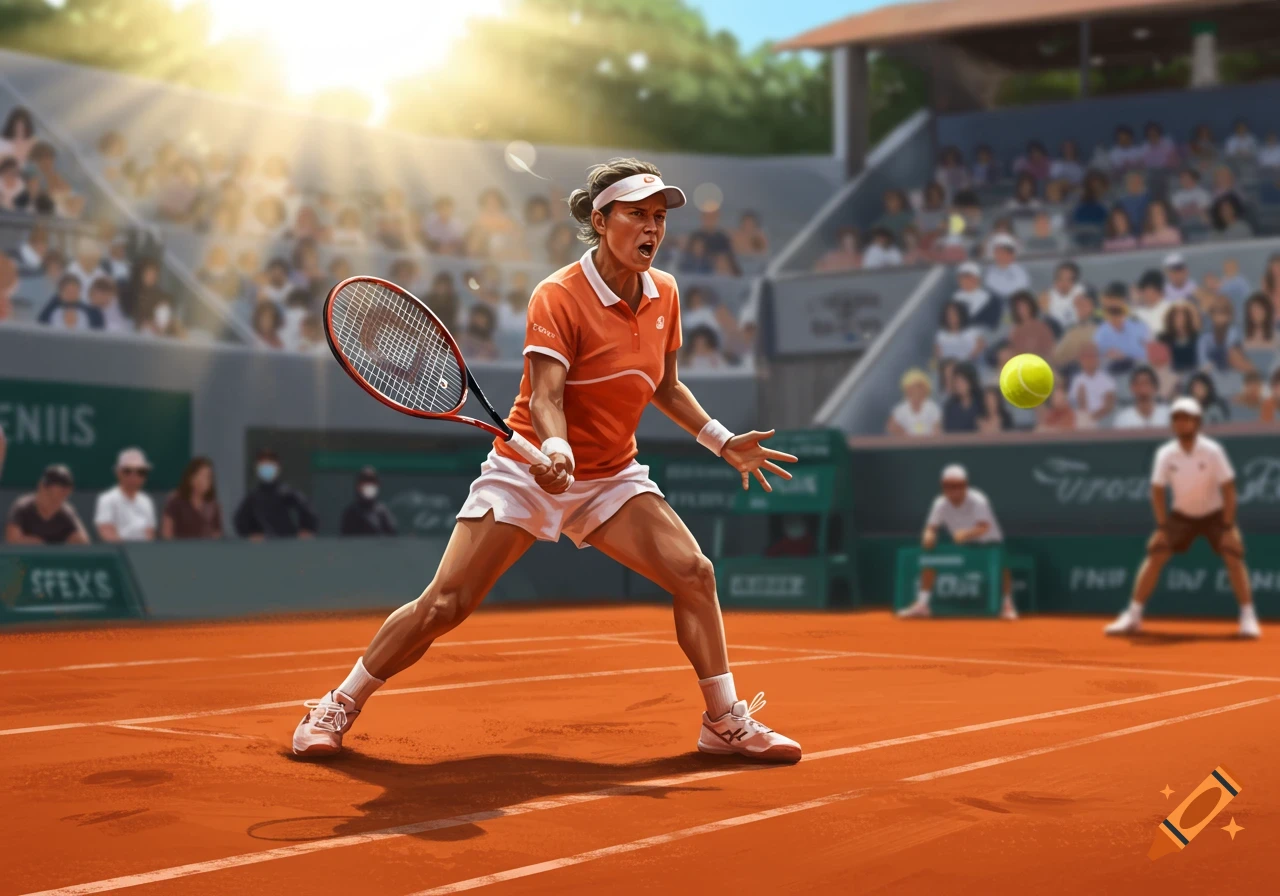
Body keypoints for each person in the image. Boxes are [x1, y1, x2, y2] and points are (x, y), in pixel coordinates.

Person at [292, 157, 801, 762]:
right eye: (638, 214)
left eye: (659, 217)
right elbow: (547, 394)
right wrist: (554, 448)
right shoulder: (558, 295)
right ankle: (338, 704)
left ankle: (723, 722)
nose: (653, 228)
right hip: (527, 469)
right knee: (445, 604)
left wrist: (720, 439)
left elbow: (663, 386)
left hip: (611, 476)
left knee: (695, 573)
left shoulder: (665, 291)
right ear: (601, 218)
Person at [1105, 397, 1259, 638]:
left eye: (1186, 418)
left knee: (1233, 554)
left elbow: (1229, 489)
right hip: (1181, 516)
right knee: (1156, 554)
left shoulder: (1213, 451)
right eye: (1176, 418)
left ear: (1197, 422)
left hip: (1215, 515)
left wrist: (1228, 527)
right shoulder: (1165, 454)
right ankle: (1133, 616)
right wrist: (1162, 527)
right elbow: (1157, 490)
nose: (1181, 422)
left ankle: (1248, 617)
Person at [898, 464, 1016, 621]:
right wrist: (928, 536)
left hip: (989, 544)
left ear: (965, 485)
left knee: (1002, 564)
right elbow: (931, 528)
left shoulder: (978, 500)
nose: (954, 490)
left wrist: (967, 533)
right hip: (963, 548)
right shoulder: (939, 503)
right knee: (930, 556)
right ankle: (922, 605)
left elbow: (985, 527)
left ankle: (1007, 605)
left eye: (958, 486)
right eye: (949, 486)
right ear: (943, 486)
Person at [233, 449, 318, 539]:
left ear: (278, 467)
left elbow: (308, 511)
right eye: (263, 465)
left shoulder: (288, 493)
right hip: (263, 550)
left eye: (270, 464)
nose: (267, 468)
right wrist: (252, 535)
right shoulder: (253, 498)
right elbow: (240, 521)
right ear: (257, 468)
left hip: (288, 546)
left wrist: (306, 530)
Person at [5, 464, 89, 545]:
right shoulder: (22, 507)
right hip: (24, 558)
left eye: (64, 492)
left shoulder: (66, 512)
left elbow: (83, 542)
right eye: (49, 491)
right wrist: (39, 545)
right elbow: (12, 539)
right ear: (42, 487)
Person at [94, 447, 156, 542]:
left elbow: (150, 533)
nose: (134, 476)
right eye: (127, 471)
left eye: (141, 472)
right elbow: (106, 531)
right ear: (118, 473)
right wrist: (128, 553)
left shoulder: (146, 501)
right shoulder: (107, 499)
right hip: (118, 554)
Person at [161, 456, 223, 539]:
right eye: (202, 475)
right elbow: (167, 534)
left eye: (209, 476)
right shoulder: (175, 502)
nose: (206, 480)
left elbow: (217, 534)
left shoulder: (213, 506)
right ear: (191, 478)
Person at [339, 467, 397, 536]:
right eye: (365, 482)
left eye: (372, 482)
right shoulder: (351, 513)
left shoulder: (383, 512)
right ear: (358, 485)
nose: (368, 485)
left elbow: (393, 536)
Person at [887, 368, 941, 437]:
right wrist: (904, 435)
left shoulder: (932, 408)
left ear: (925, 389)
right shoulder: (901, 409)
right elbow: (891, 426)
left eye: (918, 388)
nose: (915, 392)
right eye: (911, 388)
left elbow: (937, 431)